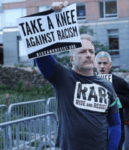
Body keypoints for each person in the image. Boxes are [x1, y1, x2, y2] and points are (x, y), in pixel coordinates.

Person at [35, 3, 121, 149]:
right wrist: (51, 14)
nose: (88, 55)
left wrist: (111, 148)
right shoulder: (62, 77)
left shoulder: (107, 85)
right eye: (82, 52)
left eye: (91, 52)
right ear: (71, 58)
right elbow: (39, 50)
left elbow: (115, 123)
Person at [95, 51, 129, 150]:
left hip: (115, 125)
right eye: (99, 63)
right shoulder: (90, 81)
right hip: (96, 127)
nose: (102, 66)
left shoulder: (119, 82)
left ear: (110, 64)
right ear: (95, 64)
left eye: (105, 63)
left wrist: (117, 98)